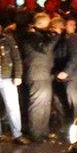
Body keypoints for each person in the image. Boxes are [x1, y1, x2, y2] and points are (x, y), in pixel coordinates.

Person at [19, 13, 59, 141]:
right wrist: (56, 35)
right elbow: (45, 48)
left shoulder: (38, 35)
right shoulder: (31, 36)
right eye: (48, 24)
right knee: (37, 104)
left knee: (45, 104)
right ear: (41, 24)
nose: (50, 28)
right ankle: (36, 133)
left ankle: (43, 131)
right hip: (37, 75)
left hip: (43, 74)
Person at [56, 16, 77, 121]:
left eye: (74, 24)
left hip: (73, 74)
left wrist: (66, 71)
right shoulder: (67, 38)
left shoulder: (72, 38)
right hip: (72, 73)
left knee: (74, 100)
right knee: (71, 99)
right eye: (70, 24)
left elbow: (75, 56)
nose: (73, 26)